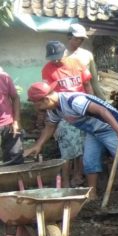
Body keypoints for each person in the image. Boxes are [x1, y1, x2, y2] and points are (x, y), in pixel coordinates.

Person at [24, 82, 118, 200]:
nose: (36, 108)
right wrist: (38, 145)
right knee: (89, 161)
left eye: (37, 104)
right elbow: (50, 126)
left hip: (110, 128)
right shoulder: (54, 109)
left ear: (46, 99)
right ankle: (92, 195)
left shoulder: (73, 101)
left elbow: (101, 110)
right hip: (93, 132)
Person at [42, 40, 91, 188]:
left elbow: (87, 85)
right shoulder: (47, 69)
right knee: (66, 148)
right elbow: (48, 94)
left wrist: (90, 106)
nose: (56, 61)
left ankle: (78, 175)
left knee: (82, 146)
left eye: (58, 57)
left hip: (81, 109)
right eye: (52, 58)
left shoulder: (77, 64)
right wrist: (51, 118)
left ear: (65, 53)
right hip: (63, 113)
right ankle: (65, 181)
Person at [65, 23, 106, 99]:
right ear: (69, 37)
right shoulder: (62, 56)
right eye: (77, 38)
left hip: (86, 95)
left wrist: (102, 99)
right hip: (68, 97)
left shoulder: (87, 55)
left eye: (81, 39)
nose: (79, 41)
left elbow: (94, 80)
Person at [0, 67, 23, 166]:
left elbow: (15, 98)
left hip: (7, 124)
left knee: (15, 159)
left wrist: (16, 122)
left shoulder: (4, 77)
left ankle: (14, 181)